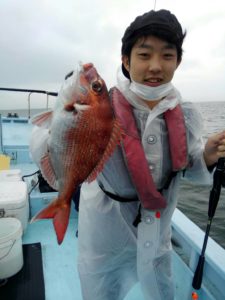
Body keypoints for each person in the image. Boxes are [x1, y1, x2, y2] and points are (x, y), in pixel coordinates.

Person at [76, 9, 225, 300]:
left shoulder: (188, 114)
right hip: (105, 231)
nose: (156, 66)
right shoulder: (99, 109)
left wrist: (206, 155)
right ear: (126, 61)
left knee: (160, 286)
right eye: (144, 55)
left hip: (157, 230)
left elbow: (186, 164)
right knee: (99, 291)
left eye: (167, 56)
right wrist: (66, 120)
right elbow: (53, 148)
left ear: (178, 61)